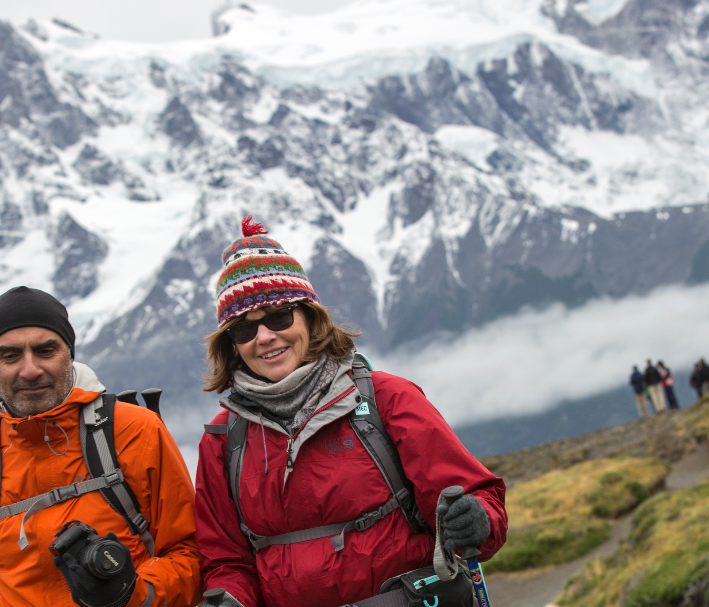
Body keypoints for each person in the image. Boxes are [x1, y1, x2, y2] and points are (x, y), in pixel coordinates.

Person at [195, 218, 507, 607]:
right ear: (231, 344)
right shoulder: (223, 440)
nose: (264, 337)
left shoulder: (388, 398)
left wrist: (479, 519)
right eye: (243, 328)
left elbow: (475, 500)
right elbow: (226, 559)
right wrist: (229, 601)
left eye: (279, 316)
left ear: (310, 317)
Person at [0, 286, 203, 607]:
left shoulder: (135, 431)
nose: (30, 370)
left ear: (70, 355)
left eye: (46, 351)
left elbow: (191, 554)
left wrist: (130, 595)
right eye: (10, 355)